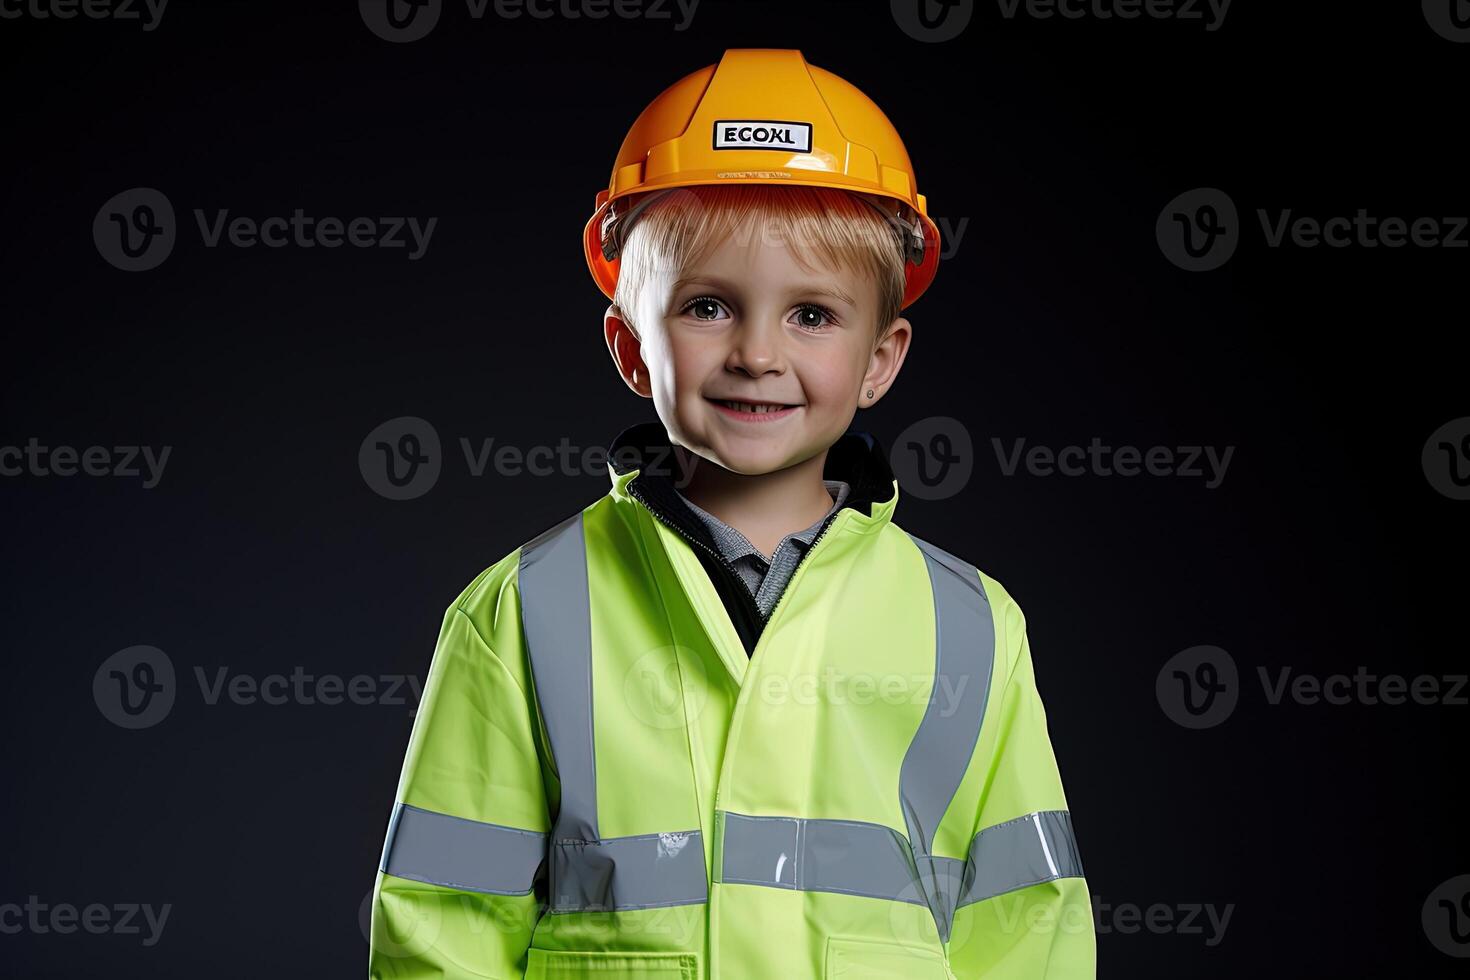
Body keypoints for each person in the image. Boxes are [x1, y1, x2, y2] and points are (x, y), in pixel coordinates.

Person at [369, 48, 1095, 979]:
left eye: (813, 315)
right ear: (631, 349)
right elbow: (442, 928)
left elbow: (1028, 927)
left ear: (882, 358)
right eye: (708, 305)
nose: (757, 353)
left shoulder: (973, 625)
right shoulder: (521, 611)